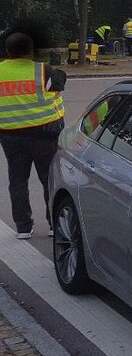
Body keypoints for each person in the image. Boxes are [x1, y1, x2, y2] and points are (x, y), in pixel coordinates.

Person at [0, 32, 66, 239]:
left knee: (18, 180)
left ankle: (23, 227)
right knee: (48, 179)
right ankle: (54, 224)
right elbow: (59, 84)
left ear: (8, 51)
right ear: (30, 51)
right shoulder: (42, 70)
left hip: (10, 135)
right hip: (43, 133)